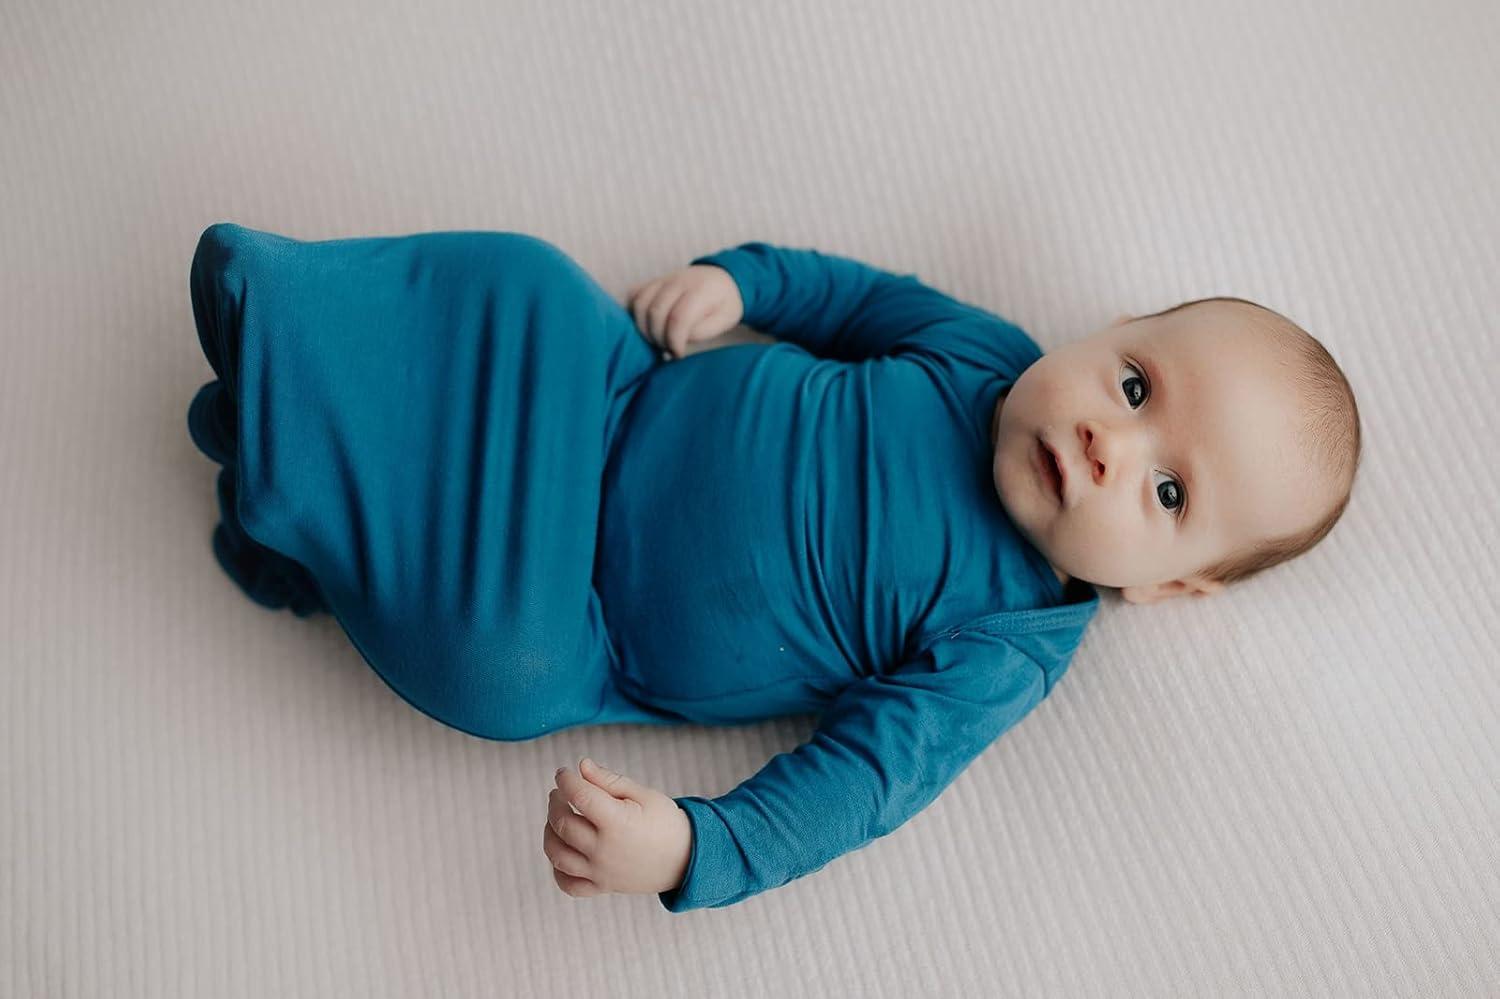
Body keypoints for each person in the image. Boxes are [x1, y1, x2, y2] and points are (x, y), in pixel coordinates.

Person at [185, 224, 1360, 913]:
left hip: (583, 613)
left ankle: (288, 485)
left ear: (1165, 586)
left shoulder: (1009, 639)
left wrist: (693, 848)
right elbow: (854, 298)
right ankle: (286, 317)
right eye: (1137, 384)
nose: (1112, 444)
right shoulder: (982, 354)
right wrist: (744, 281)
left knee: (497, 665)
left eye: (1168, 493)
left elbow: (860, 787)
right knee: (523, 280)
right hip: (607, 394)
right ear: (1111, 332)